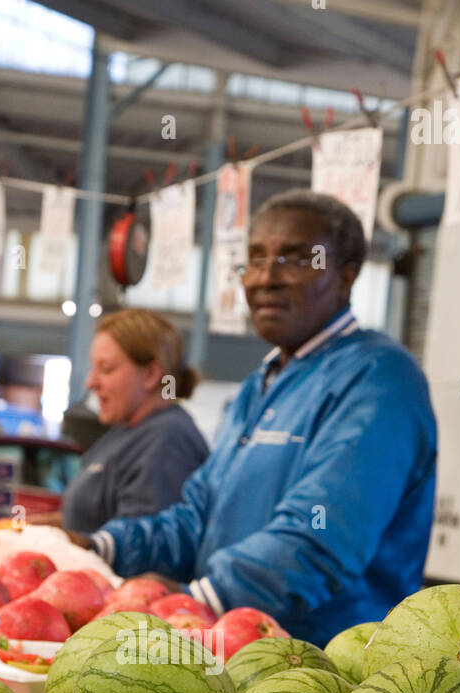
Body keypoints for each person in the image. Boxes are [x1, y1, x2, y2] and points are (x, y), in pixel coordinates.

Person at [67, 191, 437, 646]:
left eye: (295, 260)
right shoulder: (260, 383)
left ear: (346, 276)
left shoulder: (379, 380)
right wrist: (103, 545)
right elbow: (196, 516)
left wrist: (196, 599)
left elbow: (319, 539)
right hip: (231, 654)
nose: (266, 278)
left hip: (323, 673)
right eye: (255, 260)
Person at [46, 309, 209, 533]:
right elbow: (91, 522)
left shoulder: (167, 442)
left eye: (107, 369)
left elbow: (143, 546)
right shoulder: (128, 432)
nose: (91, 382)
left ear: (151, 375)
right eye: (93, 368)